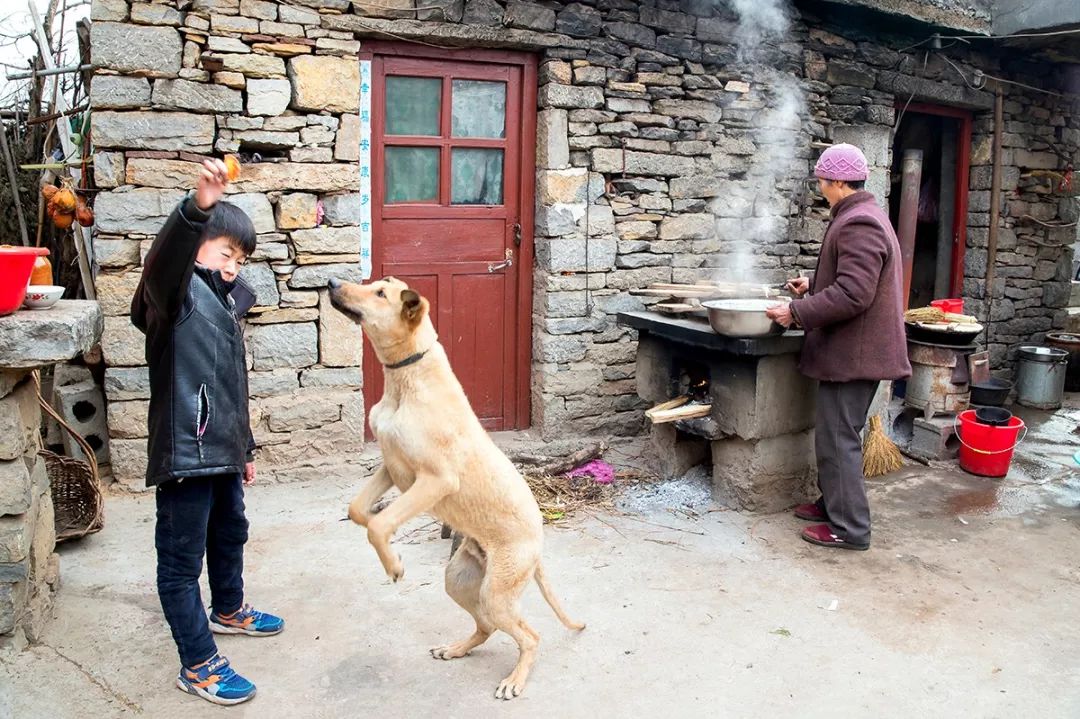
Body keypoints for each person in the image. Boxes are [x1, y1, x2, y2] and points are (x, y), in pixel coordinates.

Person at [131, 158, 284, 705]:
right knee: (179, 563)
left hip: (221, 452)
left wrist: (244, 448)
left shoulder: (225, 304)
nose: (233, 267)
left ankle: (229, 608)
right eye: (226, 253)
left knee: (230, 533)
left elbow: (231, 387)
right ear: (195, 247)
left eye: (240, 259)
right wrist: (197, 209)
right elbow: (162, 265)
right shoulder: (168, 300)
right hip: (185, 455)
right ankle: (197, 664)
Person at [766, 143, 911, 551]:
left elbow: (854, 295)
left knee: (837, 439)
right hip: (854, 352)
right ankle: (833, 503)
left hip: (856, 355)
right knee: (834, 435)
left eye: (823, 182)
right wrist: (814, 285)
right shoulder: (864, 215)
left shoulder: (858, 223)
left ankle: (849, 529)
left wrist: (796, 311)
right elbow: (859, 280)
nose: (822, 189)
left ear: (839, 182)